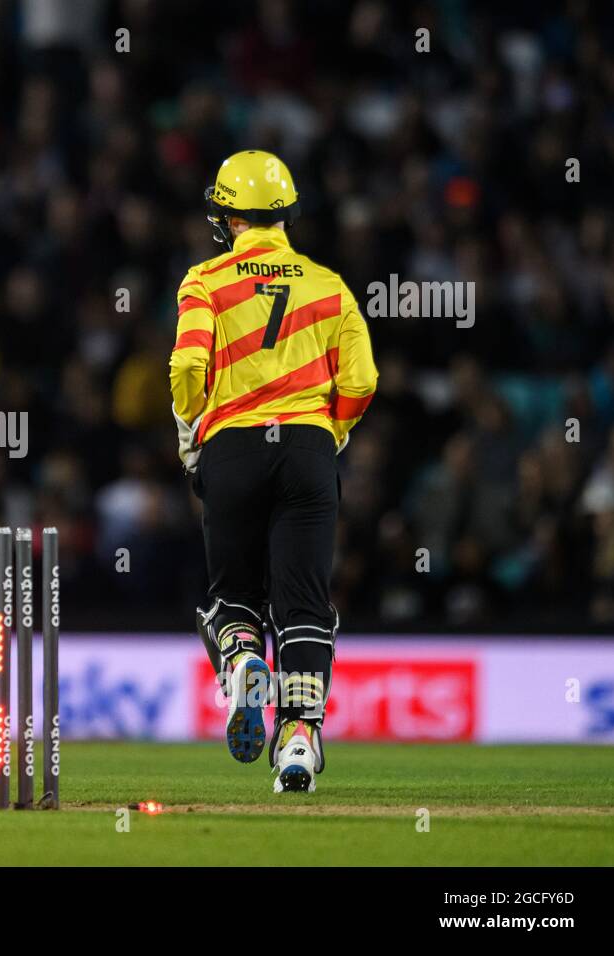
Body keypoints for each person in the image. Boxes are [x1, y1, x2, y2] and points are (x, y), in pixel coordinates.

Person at [170, 150, 377, 793]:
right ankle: (297, 740)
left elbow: (186, 370)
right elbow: (364, 379)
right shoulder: (328, 284)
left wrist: (192, 429)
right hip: (309, 452)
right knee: (305, 607)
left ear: (228, 215)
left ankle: (241, 662)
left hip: (232, 449)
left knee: (232, 598)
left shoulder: (205, 280)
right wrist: (329, 432)